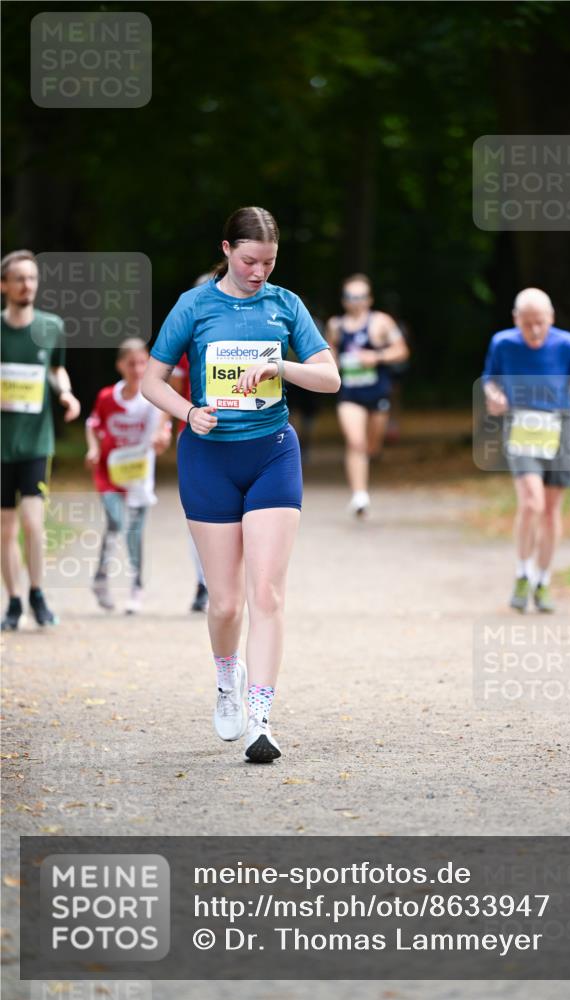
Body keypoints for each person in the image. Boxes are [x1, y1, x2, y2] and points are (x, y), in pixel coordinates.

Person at [141, 206, 340, 763]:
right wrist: (187, 412)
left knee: (267, 594)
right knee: (226, 604)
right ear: (227, 250)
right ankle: (228, 677)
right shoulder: (194, 305)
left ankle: (261, 720)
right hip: (209, 459)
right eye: (250, 261)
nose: (259, 272)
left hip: (273, 453)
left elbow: (330, 377)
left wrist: (281, 368)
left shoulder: (285, 304)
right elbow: (151, 382)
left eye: (269, 263)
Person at [482, 287, 570, 613]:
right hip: (521, 425)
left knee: (550, 510)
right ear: (515, 319)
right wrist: (494, 396)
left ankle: (543, 580)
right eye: (527, 323)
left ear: (551, 318)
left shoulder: (568, 344)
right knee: (532, 502)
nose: (534, 330)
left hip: (558, 427)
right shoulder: (502, 343)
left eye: (540, 323)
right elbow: (490, 378)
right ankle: (523, 572)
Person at [1, 249, 81, 630]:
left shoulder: (51, 327)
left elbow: (57, 369)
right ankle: (14, 601)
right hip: (2, 445)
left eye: (32, 278)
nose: (27, 285)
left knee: (33, 522)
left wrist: (66, 394)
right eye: (19, 278)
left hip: (36, 442)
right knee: (5, 528)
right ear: (4, 285)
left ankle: (37, 593)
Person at [85, 338, 172, 614]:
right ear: (120, 365)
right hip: (110, 473)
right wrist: (93, 449)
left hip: (139, 475)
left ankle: (136, 586)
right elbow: (92, 425)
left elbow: (163, 430)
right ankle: (101, 579)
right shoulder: (107, 397)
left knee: (134, 532)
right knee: (116, 522)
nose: (137, 369)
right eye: (131, 363)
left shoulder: (154, 398)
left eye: (142, 363)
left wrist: (161, 439)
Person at [326, 273, 409, 516]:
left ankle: (367, 463)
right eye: (351, 296)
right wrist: (332, 366)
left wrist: (376, 356)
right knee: (356, 442)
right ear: (344, 300)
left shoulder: (381, 322)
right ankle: (360, 496)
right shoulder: (336, 325)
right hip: (349, 394)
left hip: (377, 392)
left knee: (372, 446)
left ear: (370, 299)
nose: (356, 301)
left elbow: (402, 350)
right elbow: (330, 353)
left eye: (361, 296)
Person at [168, 270, 215, 614]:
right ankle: (203, 582)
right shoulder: (185, 342)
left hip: (245, 437)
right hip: (197, 436)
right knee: (200, 516)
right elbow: (169, 389)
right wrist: (174, 425)